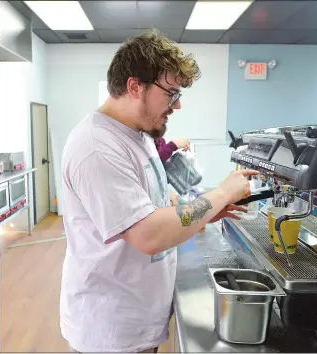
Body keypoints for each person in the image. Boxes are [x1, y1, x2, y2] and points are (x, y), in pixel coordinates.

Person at [60, 29, 257, 353]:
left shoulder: (139, 135)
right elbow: (148, 234)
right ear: (134, 86)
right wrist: (219, 194)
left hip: (136, 320)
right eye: (171, 94)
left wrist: (204, 213)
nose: (176, 106)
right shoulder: (97, 147)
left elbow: (158, 202)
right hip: (110, 332)